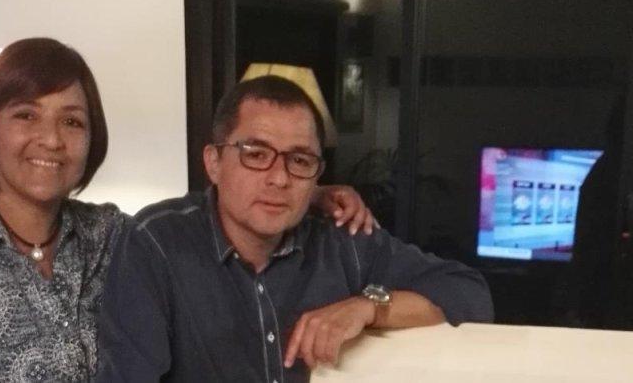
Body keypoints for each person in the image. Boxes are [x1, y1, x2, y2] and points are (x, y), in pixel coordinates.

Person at [0, 38, 375, 382]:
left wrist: (302, 193)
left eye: (72, 121)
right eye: (26, 115)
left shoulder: (111, 233)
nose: (51, 139)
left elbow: (207, 215)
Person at [96, 75, 494, 382]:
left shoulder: (341, 239)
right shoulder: (156, 243)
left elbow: (469, 293)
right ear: (214, 162)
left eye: (299, 161)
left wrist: (367, 307)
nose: (280, 178)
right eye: (256, 155)